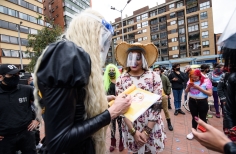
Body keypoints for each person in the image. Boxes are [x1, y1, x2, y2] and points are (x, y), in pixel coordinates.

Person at [33, 8, 131, 154]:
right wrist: (112, 112)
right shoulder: (68, 54)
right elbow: (58, 141)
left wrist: (98, 100)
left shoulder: (71, 54)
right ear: (89, 33)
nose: (102, 46)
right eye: (102, 38)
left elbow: (70, 107)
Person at [115, 42, 166, 154]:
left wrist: (146, 132)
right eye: (131, 57)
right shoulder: (121, 80)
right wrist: (133, 132)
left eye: (138, 58)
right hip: (130, 126)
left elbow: (157, 106)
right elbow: (120, 108)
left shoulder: (154, 77)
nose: (134, 61)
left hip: (151, 125)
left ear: (143, 59)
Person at [0, 64, 37, 154]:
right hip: (5, 138)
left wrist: (37, 119)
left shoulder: (27, 90)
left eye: (17, 74)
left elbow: (41, 104)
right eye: (11, 75)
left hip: (26, 133)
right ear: (1, 77)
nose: (15, 77)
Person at [185, 69, 212, 140]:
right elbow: (186, 91)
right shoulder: (190, 80)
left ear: (199, 76)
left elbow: (210, 94)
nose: (194, 79)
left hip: (202, 102)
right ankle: (193, 132)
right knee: (194, 117)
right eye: (192, 77)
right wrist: (188, 87)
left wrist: (199, 88)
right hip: (192, 101)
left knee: (203, 118)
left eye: (195, 77)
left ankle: (204, 133)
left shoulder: (206, 81)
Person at [103, 64, 124, 152]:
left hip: (119, 107)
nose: (112, 72)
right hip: (110, 108)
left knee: (120, 126)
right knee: (112, 126)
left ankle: (121, 142)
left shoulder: (119, 81)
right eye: (110, 70)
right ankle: (113, 142)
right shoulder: (105, 82)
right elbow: (104, 95)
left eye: (113, 70)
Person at [153, 65, 173, 131]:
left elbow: (169, 85)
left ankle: (169, 123)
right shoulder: (152, 78)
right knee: (156, 111)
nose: (156, 71)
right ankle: (155, 124)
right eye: (155, 70)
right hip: (155, 97)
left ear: (160, 70)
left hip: (163, 96)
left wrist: (167, 94)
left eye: (157, 70)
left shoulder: (164, 77)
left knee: (166, 110)